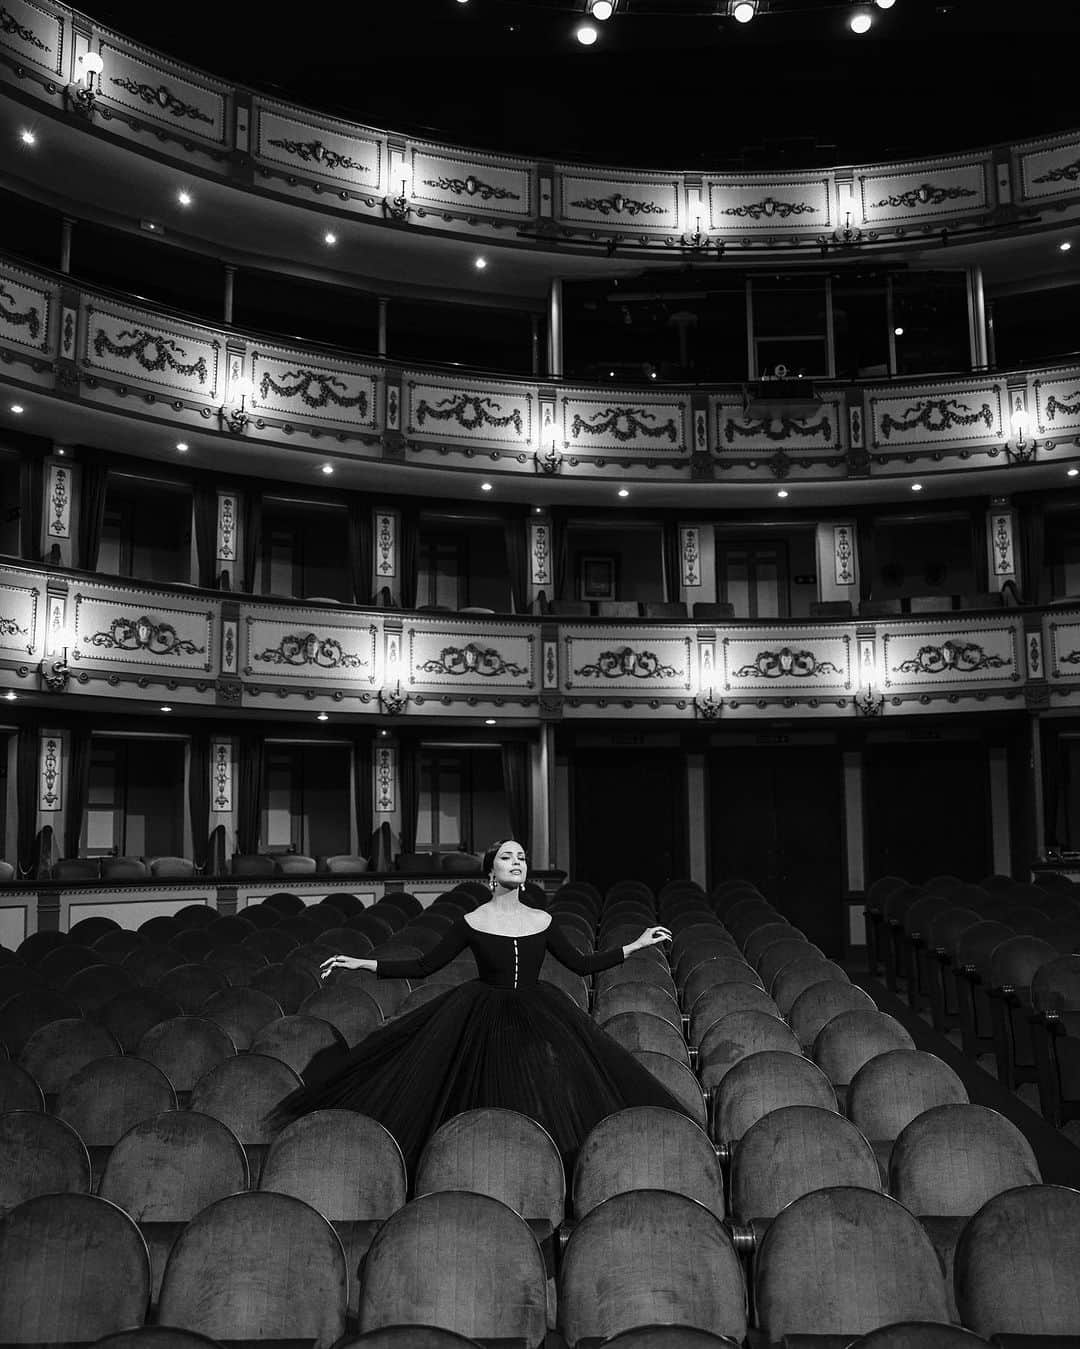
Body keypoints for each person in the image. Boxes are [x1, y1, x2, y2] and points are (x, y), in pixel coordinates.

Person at [267, 839, 687, 1173]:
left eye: (521, 857)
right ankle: (475, 1170)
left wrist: (635, 945)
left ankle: (543, 1172)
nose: (517, 862)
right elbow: (425, 964)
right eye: (507, 857)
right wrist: (363, 962)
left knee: (544, 1094)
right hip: (482, 1015)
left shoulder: (543, 920)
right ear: (492, 872)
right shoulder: (471, 921)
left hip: (540, 1013)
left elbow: (581, 964)